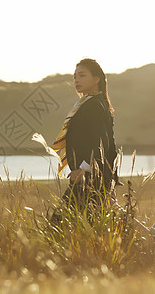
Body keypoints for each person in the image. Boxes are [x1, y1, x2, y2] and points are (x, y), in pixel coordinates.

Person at [50, 58, 120, 219]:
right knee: (86, 225)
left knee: (59, 223)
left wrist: (83, 168)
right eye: (74, 76)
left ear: (96, 79)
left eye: (82, 75)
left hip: (89, 177)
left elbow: (103, 143)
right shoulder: (93, 102)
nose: (76, 80)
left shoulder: (94, 105)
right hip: (92, 176)